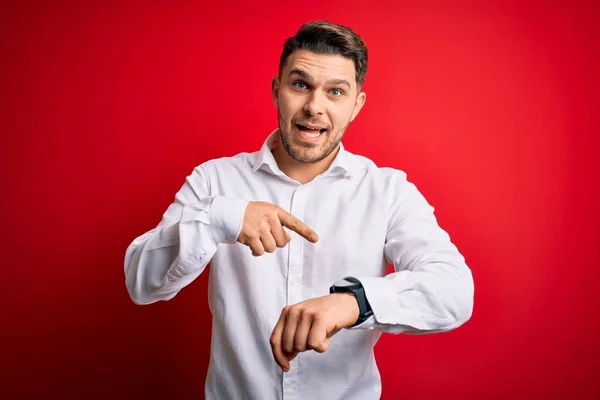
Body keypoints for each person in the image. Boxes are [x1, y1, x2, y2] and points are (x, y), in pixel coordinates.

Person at [124, 20, 474, 400]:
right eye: (300, 85)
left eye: (335, 92)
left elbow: (454, 291)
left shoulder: (388, 191)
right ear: (277, 91)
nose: (314, 107)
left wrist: (353, 302)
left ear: (356, 105)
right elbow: (141, 284)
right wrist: (217, 218)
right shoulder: (214, 181)